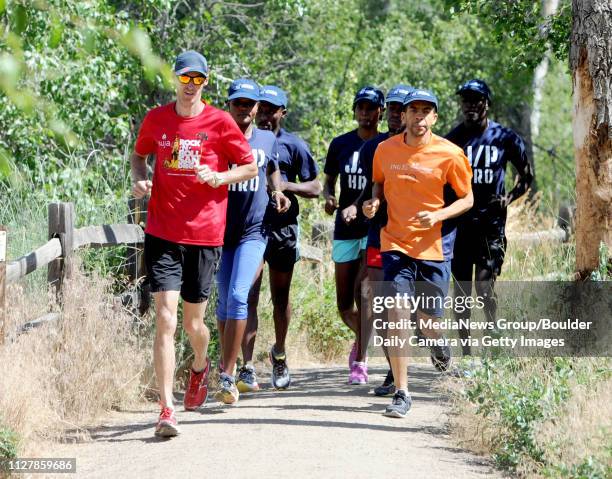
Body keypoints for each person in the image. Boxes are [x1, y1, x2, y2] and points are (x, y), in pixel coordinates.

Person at [131, 50, 257, 437]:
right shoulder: (157, 119)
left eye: (197, 80)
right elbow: (139, 156)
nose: (190, 86)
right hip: (163, 230)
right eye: (185, 78)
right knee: (166, 318)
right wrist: (140, 179)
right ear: (175, 79)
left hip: (204, 233)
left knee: (194, 323)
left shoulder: (220, 122)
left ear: (206, 82)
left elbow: (249, 166)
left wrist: (220, 178)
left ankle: (201, 365)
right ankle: (167, 408)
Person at [363, 88, 473, 417]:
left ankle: (437, 340)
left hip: (435, 248)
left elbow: (467, 199)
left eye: (426, 111)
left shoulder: (450, 154)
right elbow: (378, 184)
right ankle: (402, 391)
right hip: (395, 243)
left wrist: (437, 215)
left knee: (427, 322)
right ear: (404, 114)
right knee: (396, 312)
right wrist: (374, 203)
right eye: (414, 110)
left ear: (434, 117)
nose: (419, 117)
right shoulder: (385, 150)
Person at [237, 85, 321, 391]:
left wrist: (286, 186)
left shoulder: (293, 145)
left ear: (282, 113)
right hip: (252, 228)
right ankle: (246, 367)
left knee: (280, 297)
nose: (267, 115)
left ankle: (280, 354)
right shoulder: (246, 141)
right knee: (249, 295)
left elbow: (315, 187)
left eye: (274, 110)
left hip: (284, 229)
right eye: (264, 108)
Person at [215, 79, 290, 404]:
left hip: (254, 232)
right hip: (218, 233)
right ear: (229, 105)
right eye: (238, 103)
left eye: (249, 104)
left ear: (257, 107)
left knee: (238, 294)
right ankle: (222, 368)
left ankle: (229, 376)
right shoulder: (216, 134)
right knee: (221, 303)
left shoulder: (265, 138)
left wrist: (277, 191)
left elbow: (272, 168)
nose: (244, 109)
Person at [446, 79, 532, 355]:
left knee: (484, 287)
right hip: (460, 227)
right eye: (466, 100)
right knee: (461, 292)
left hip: (491, 227)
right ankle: (467, 353)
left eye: (477, 100)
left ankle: (493, 339)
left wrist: (509, 198)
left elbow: (526, 175)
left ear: (487, 104)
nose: (471, 105)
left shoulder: (505, 137)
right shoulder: (452, 140)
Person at [323, 86, 385, 384]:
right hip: (344, 229)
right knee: (344, 305)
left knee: (366, 296)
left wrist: (358, 206)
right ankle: (362, 340)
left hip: (373, 230)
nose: (364, 112)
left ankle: (360, 361)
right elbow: (328, 182)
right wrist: (329, 198)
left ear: (380, 112)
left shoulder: (387, 144)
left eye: (370, 107)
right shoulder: (340, 144)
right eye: (360, 107)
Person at [355, 84, 413, 395]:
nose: (394, 113)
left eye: (400, 108)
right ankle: (394, 371)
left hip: (415, 238)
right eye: (390, 107)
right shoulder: (372, 149)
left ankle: (431, 346)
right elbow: (372, 189)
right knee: (380, 301)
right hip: (380, 234)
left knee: (411, 307)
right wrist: (361, 207)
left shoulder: (424, 148)